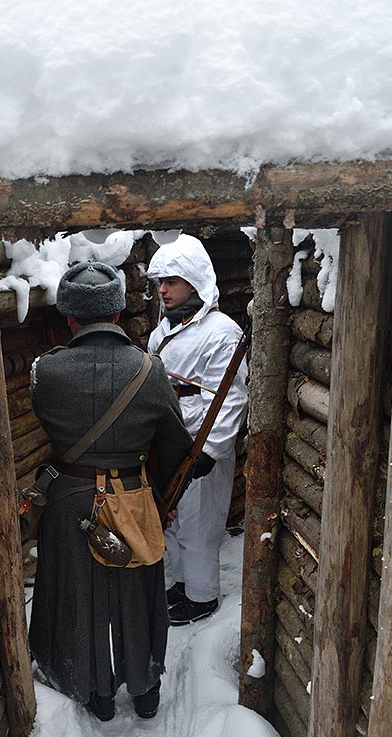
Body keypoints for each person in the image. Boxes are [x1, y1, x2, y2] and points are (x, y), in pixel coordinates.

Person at [28, 261, 192, 722]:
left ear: (69, 317)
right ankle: (145, 690)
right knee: (138, 594)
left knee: (76, 596)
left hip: (68, 502)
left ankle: (95, 694)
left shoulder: (45, 372)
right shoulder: (149, 371)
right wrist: (162, 499)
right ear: (118, 313)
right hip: (134, 497)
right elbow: (177, 447)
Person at [147, 234, 248, 626]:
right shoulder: (162, 331)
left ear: (194, 282)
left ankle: (202, 596)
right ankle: (183, 583)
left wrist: (210, 451)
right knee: (172, 519)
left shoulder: (221, 332)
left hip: (201, 442)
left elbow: (231, 398)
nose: (163, 289)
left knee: (199, 524)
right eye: (161, 282)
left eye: (172, 281)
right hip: (169, 441)